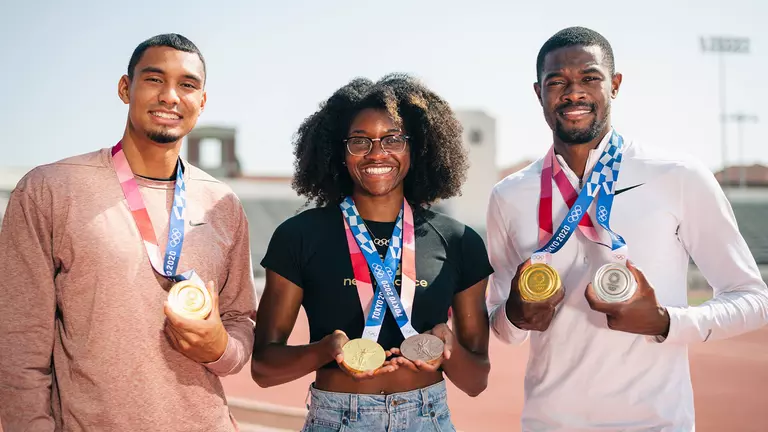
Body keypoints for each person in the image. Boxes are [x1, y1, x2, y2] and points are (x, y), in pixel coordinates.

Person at [486, 26, 768, 431]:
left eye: (590, 78)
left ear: (615, 85)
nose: (574, 93)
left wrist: (664, 321)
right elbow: (502, 326)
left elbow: (754, 299)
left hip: (655, 424)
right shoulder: (509, 194)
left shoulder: (678, 176)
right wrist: (515, 315)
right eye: (557, 82)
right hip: (550, 423)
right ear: (538, 93)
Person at [0, 34, 257, 431]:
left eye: (187, 85)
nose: (170, 96)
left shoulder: (222, 204)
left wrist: (220, 347)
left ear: (202, 101)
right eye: (154, 79)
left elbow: (241, 319)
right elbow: (18, 343)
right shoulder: (50, 189)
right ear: (125, 88)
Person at [251, 74, 493, 431]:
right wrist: (326, 349)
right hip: (336, 419)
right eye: (359, 141)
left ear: (416, 148)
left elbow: (476, 381)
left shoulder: (458, 241)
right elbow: (263, 368)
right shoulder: (298, 236)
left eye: (393, 139)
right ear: (339, 152)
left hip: (427, 419)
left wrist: (448, 349)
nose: (377, 153)